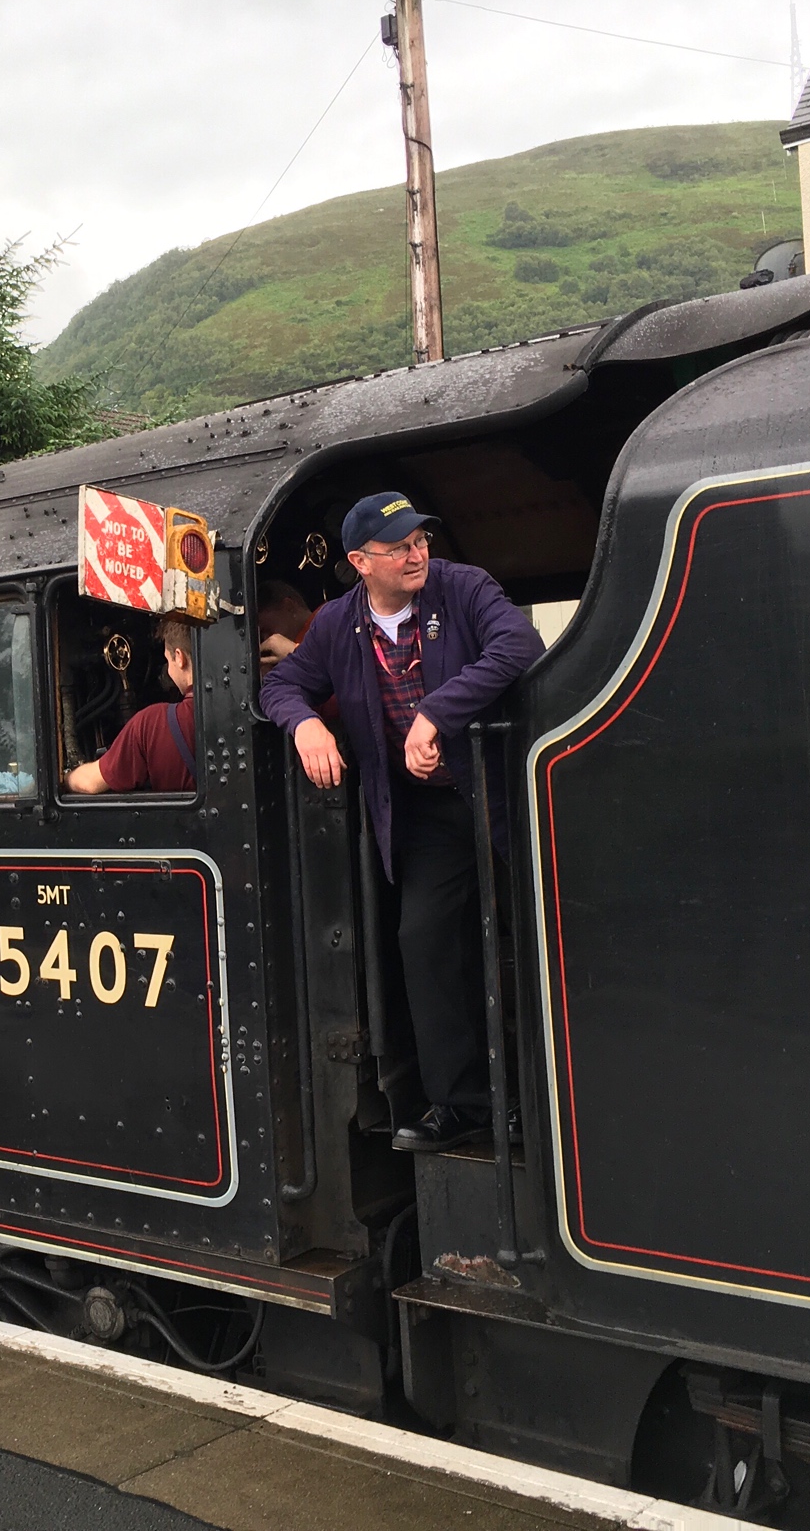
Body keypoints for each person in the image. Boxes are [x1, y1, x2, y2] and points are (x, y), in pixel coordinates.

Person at [259, 491, 544, 1151]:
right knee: (425, 943)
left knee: (533, 936)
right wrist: (303, 724)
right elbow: (282, 685)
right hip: (424, 813)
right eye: (400, 548)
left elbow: (517, 647)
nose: (417, 555)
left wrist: (437, 711)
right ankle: (466, 1102)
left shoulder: (462, 586)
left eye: (421, 541)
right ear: (360, 562)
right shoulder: (336, 624)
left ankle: (548, 1092)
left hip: (502, 790)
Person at [65, 618, 198, 794]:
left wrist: (67, 777)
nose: (168, 670)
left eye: (168, 660)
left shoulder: (152, 723)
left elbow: (90, 783)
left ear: (179, 658)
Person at [256, 581, 314, 673]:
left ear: (289, 606)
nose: (267, 639)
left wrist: (295, 654)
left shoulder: (329, 621)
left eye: (268, 630)